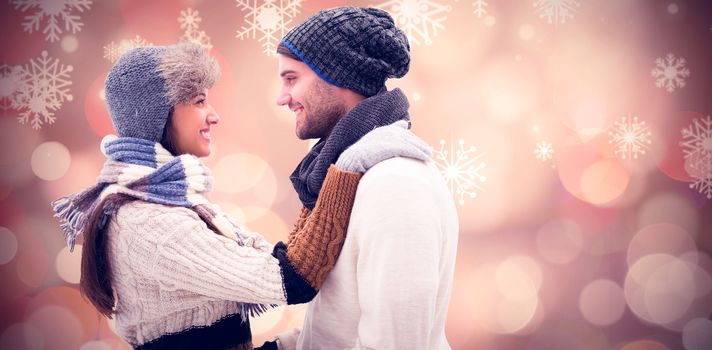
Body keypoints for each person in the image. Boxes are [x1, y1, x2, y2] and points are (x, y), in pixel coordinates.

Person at [52, 43, 429, 350]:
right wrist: (344, 167)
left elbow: (274, 259)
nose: (213, 115)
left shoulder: (175, 202)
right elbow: (291, 277)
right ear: (160, 115)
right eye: (199, 101)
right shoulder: (147, 221)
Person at [268, 6, 459, 350]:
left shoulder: (395, 184)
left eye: (292, 78)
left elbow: (394, 343)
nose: (283, 98)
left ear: (336, 75)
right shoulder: (349, 175)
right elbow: (336, 325)